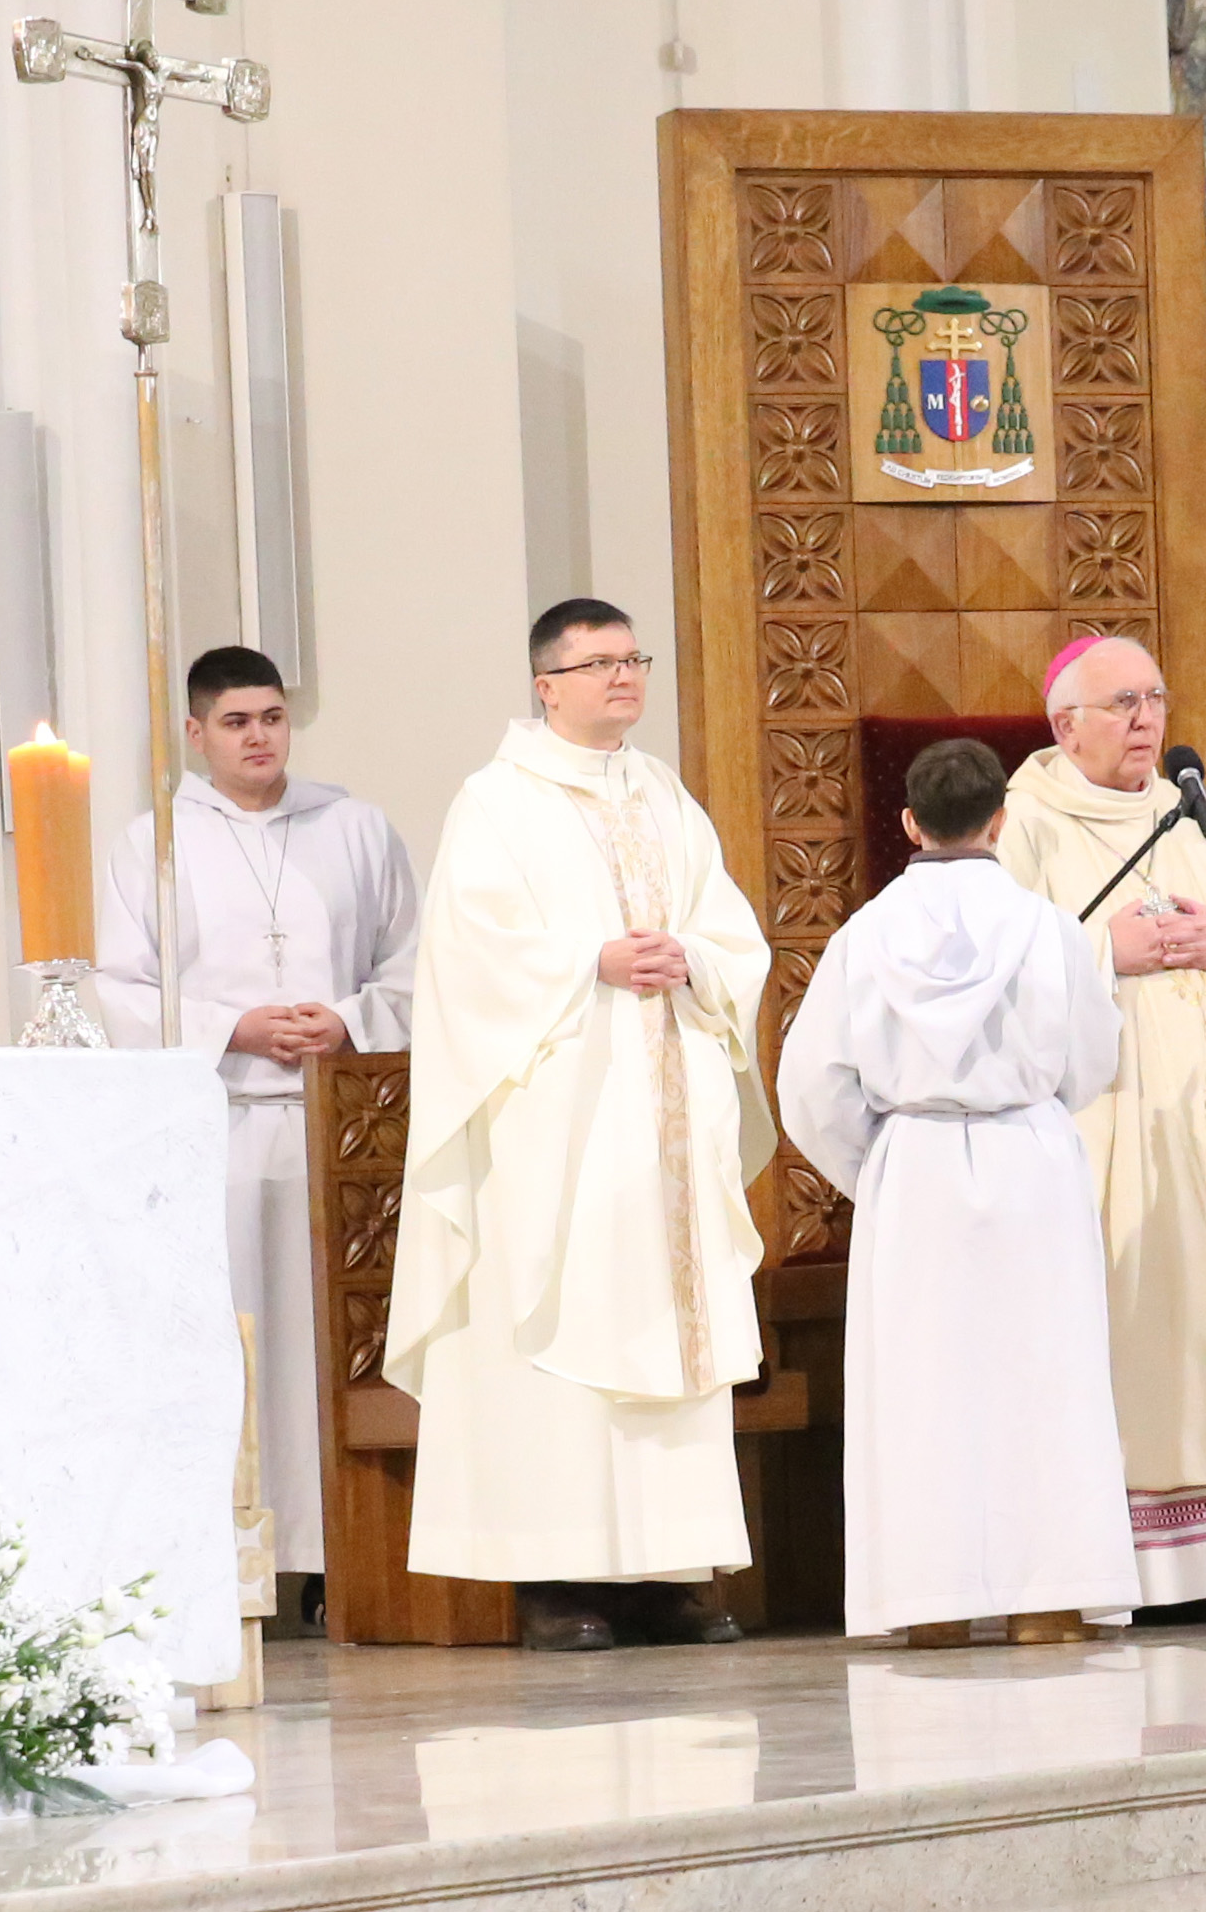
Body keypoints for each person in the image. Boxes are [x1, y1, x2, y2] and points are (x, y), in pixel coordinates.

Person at [383, 598, 774, 1649]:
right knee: (558, 1330)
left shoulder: (663, 795)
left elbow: (732, 933)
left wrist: (695, 959)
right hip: (556, 1123)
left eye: (633, 658)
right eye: (598, 662)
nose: (623, 676)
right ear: (546, 686)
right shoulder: (497, 802)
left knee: (667, 1334)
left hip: (663, 1119)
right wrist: (587, 961)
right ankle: (555, 1581)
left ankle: (665, 1574)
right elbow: (467, 955)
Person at [777, 738, 1135, 1647]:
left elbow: (811, 1087)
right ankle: (1049, 1602)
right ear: (1001, 821)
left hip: (917, 1169)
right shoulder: (1051, 930)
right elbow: (1095, 1059)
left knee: (922, 1388)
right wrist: (1028, 1113)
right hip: (1029, 1163)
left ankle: (930, 1607)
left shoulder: (862, 937)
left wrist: (881, 1164)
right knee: (1043, 1381)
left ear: (910, 823)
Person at [997, 636, 1206, 1624]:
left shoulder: (1197, 817)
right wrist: (1107, 954)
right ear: (1066, 726)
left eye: (1153, 699)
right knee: (1115, 1328)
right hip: (1100, 1130)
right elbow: (993, 969)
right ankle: (1113, 1567)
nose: (1145, 720)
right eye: (1121, 703)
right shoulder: (1025, 826)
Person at [97, 645, 417, 1614]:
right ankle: (236, 1565)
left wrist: (349, 1020)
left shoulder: (354, 828)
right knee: (235, 1347)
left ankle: (337, 1558)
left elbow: (415, 964)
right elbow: (117, 987)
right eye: (236, 722)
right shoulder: (154, 844)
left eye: (272, 718)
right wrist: (232, 1026)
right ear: (197, 733)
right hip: (222, 1127)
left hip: (339, 1134)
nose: (259, 738)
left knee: (329, 1346)